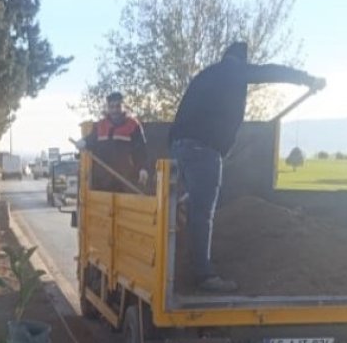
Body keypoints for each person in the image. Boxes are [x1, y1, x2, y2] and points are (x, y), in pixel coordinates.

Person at [169, 42, 325, 292]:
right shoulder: (235, 71)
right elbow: (272, 71)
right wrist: (307, 80)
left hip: (179, 148)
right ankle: (203, 275)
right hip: (203, 151)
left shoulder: (206, 74)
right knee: (203, 214)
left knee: (187, 203)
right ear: (241, 60)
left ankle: (176, 261)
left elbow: (184, 111)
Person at [78, 92, 148, 192]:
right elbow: (91, 140)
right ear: (108, 108)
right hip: (101, 182)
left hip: (125, 181)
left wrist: (142, 168)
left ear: (123, 106)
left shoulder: (133, 125)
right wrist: (84, 142)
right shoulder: (100, 125)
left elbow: (140, 149)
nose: (115, 110)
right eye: (111, 107)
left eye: (118, 106)